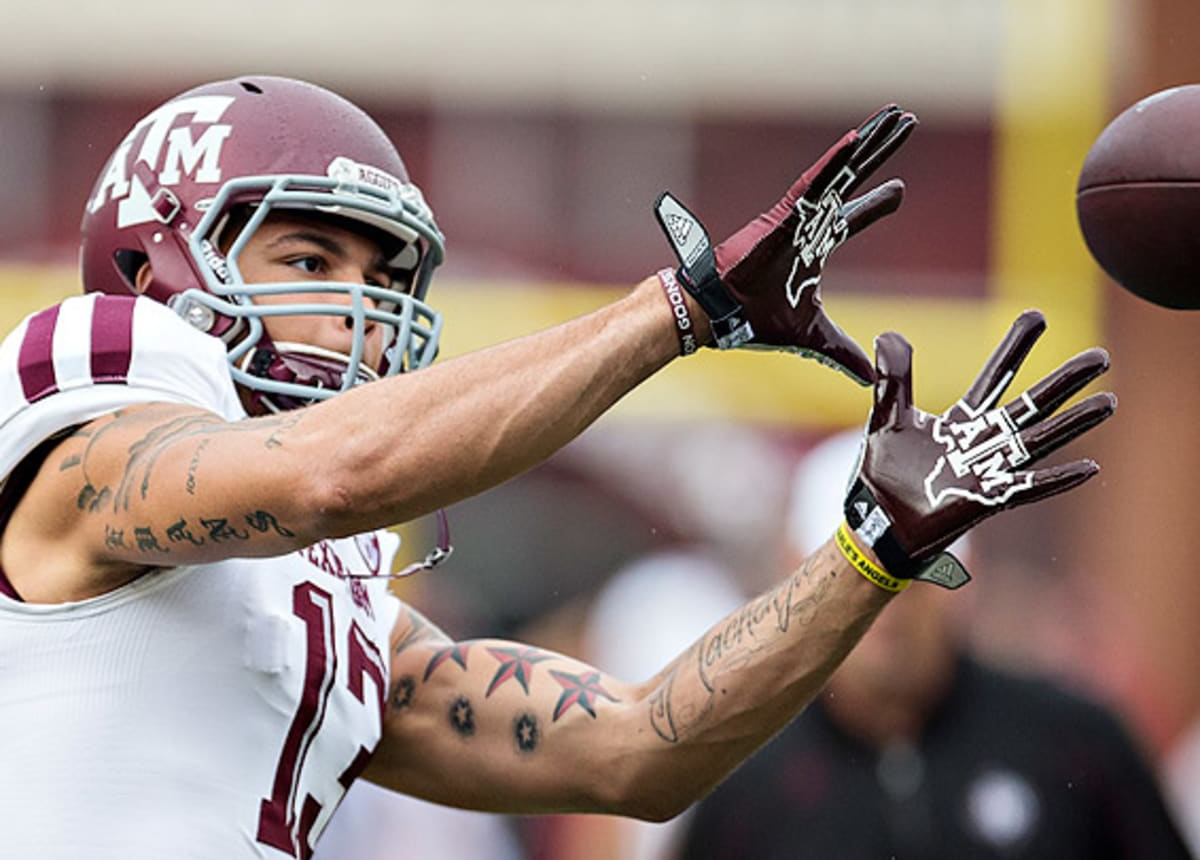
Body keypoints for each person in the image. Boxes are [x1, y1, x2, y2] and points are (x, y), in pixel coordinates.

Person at [0, 75, 1116, 859]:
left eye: (381, 280)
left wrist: (871, 551)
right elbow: (322, 477)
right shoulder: (88, 390)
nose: (362, 316)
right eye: (307, 257)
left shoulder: (314, 600)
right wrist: (684, 309)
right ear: (150, 269)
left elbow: (634, 753)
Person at [674, 430, 1193, 860]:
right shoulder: (743, 783)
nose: (882, 602)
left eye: (911, 569)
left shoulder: (1076, 743)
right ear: (793, 584)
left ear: (965, 575)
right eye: (848, 580)